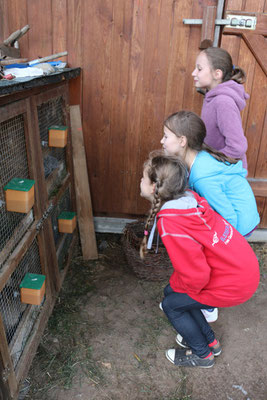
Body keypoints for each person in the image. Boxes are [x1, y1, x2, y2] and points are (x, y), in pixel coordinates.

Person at [139, 152, 260, 368]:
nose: (140, 181)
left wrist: (178, 287)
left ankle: (202, 355)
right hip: (241, 268)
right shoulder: (189, 199)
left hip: (235, 282)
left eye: (143, 178)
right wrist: (176, 286)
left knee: (171, 305)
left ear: (154, 188)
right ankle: (211, 342)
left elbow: (197, 275)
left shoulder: (172, 224)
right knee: (173, 293)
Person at [161, 110, 260, 237]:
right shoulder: (195, 160)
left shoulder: (203, 178)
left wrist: (222, 247)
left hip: (240, 225)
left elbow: (229, 218)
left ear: (182, 141)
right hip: (235, 219)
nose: (161, 141)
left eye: (166, 136)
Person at [192, 46, 249, 169]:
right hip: (215, 170)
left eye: (199, 69)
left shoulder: (223, 102)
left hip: (225, 175)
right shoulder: (211, 96)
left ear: (217, 74)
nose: (194, 73)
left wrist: (208, 162)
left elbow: (237, 147)